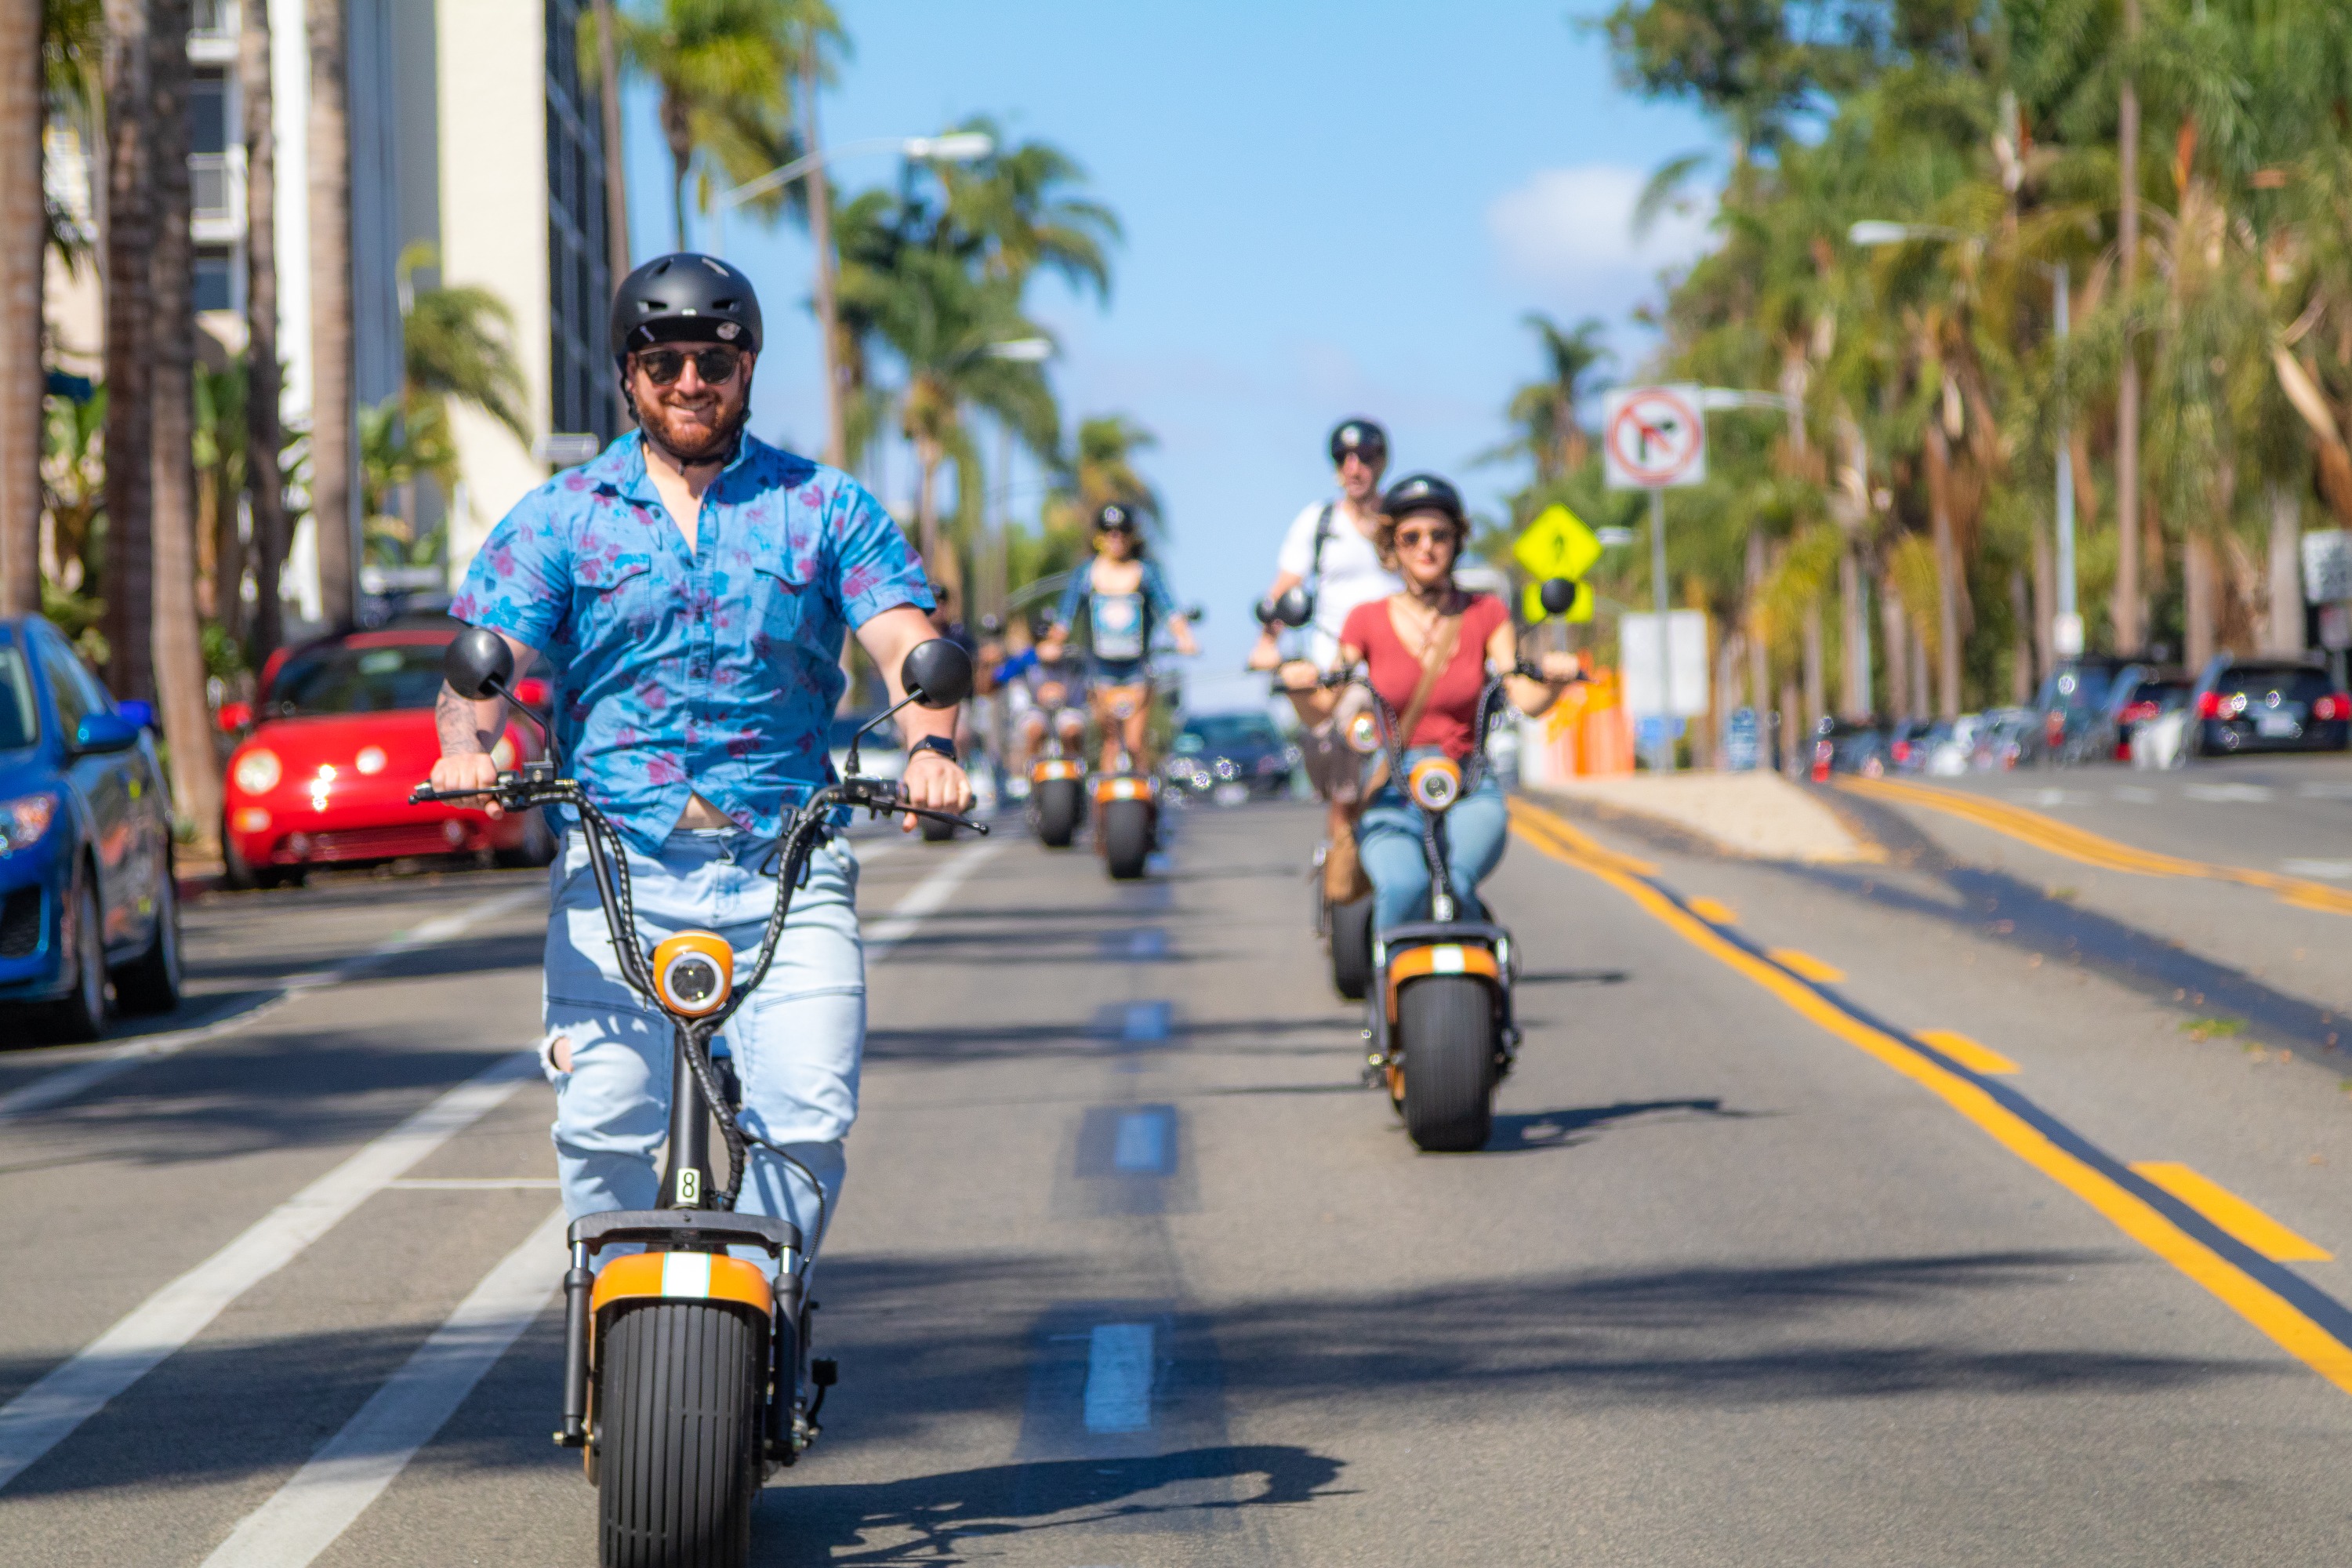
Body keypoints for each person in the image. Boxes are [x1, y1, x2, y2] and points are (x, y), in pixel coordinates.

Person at [429, 252, 969, 1265]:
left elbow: (905, 644)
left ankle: (762, 1319)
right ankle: (621, 1325)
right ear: (629, 372)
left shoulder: (824, 507)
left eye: (713, 361)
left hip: (786, 860)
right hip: (616, 864)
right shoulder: (564, 517)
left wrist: (929, 747)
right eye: (665, 359)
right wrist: (474, 748)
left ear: (749, 366)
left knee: (806, 1117)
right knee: (600, 1124)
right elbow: (484, 665)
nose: (690, 382)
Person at [1278, 473, 1579, 935]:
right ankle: (1394, 993)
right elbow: (1323, 706)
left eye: (1440, 535)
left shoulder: (1486, 613)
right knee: (1402, 888)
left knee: (1457, 883)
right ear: (1391, 546)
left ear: (1458, 541)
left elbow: (1524, 695)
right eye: (1411, 537)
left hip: (1469, 781)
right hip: (1392, 784)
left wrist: (1556, 681)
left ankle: (1486, 987)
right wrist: (1300, 687)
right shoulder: (1366, 620)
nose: (1427, 547)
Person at [1248, 419, 1403, 874]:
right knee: (1334, 755)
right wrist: (1266, 643)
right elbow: (1286, 587)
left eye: (1366, 456)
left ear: (1383, 462)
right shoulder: (1318, 523)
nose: (1355, 467)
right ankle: (1341, 855)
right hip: (1333, 667)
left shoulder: (1402, 526)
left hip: (1395, 663)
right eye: (1343, 458)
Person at [1039, 502, 1197, 773]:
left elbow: (1169, 608)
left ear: (1132, 535)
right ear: (1099, 536)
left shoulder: (1145, 571)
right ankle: (1105, 811)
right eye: (1109, 532)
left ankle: (1145, 805)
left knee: (1135, 744)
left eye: (1122, 532)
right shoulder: (1087, 573)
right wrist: (1053, 644)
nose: (1116, 538)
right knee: (1111, 743)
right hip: (1099, 670)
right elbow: (1065, 616)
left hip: (1138, 668)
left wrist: (1185, 638)